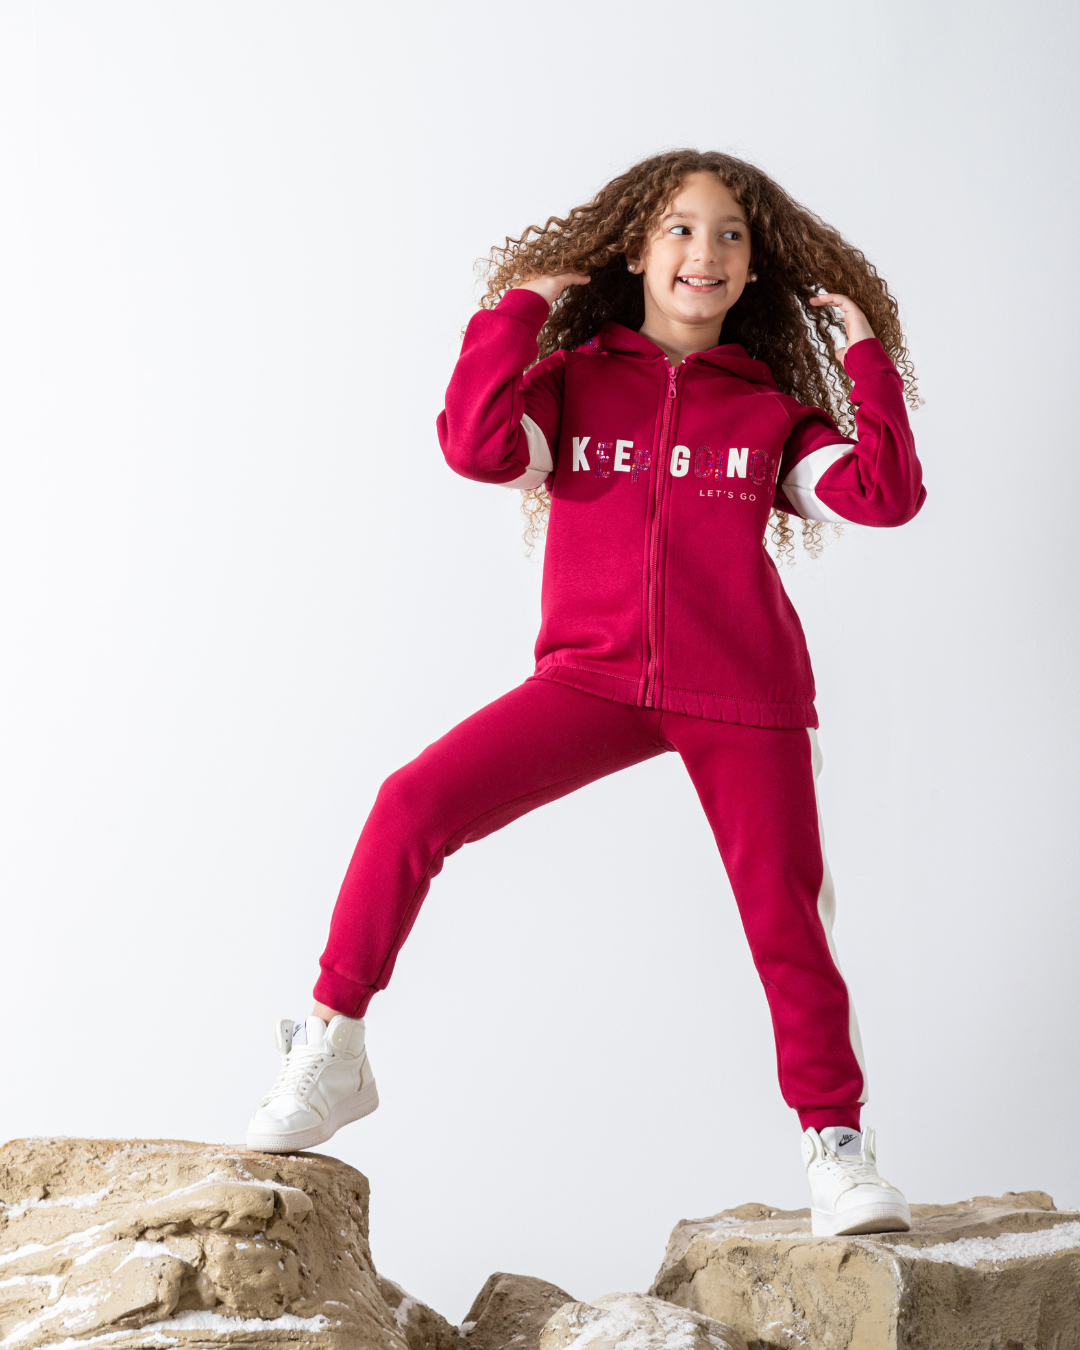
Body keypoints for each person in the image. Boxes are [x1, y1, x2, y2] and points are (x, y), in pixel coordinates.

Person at [245, 149, 925, 1238]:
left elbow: (886, 494)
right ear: (637, 253)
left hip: (742, 696)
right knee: (412, 803)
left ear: (755, 268)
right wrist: (514, 313)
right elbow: (476, 446)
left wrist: (863, 356)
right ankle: (332, 1048)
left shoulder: (771, 415)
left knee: (785, 924)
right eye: (679, 229)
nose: (705, 251)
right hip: (592, 679)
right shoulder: (571, 384)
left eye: (731, 234)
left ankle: (837, 1149)